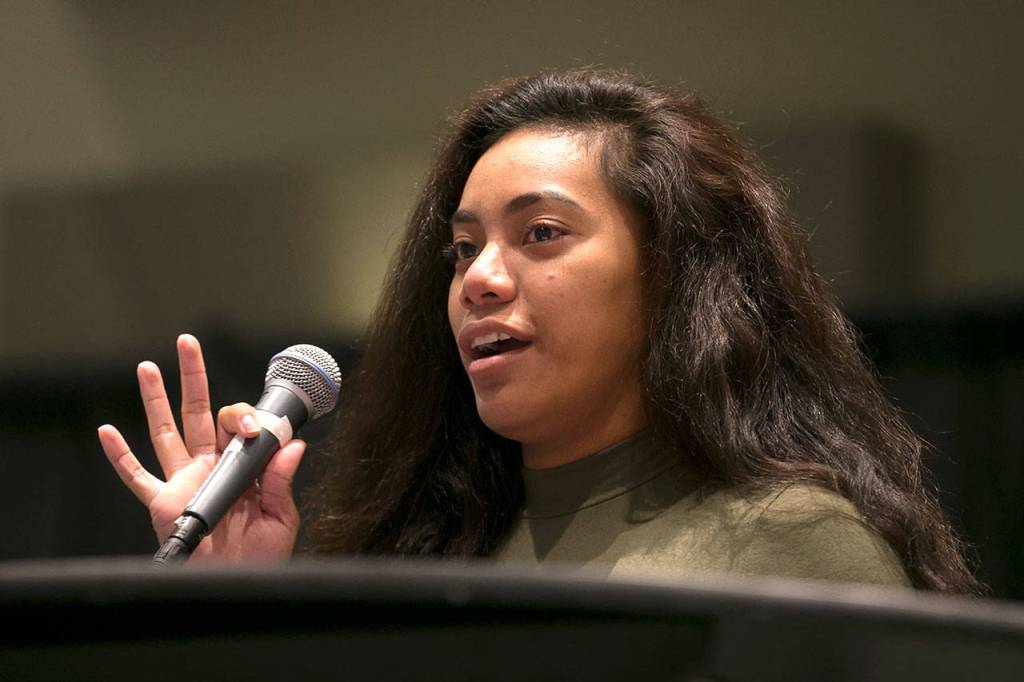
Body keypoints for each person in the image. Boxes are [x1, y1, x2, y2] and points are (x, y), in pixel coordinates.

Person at [98, 68, 980, 593]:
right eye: (462, 249)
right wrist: (243, 602)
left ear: (674, 272)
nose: (478, 279)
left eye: (541, 235)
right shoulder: (422, 560)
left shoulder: (790, 542)